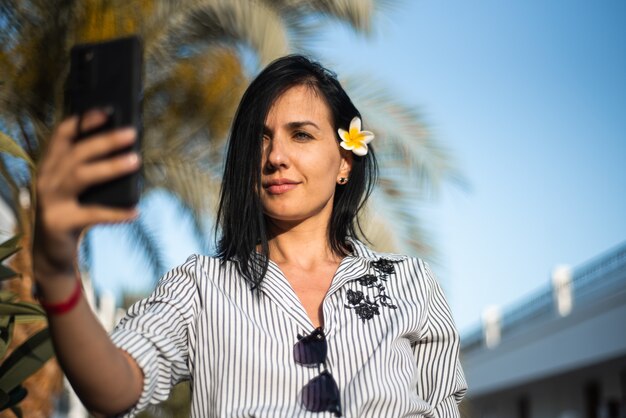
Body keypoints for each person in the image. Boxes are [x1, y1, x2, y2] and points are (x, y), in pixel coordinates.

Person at [34, 55, 467, 417]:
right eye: (261, 139)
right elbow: (113, 387)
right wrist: (57, 274)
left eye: (301, 134)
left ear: (344, 162)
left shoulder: (411, 283)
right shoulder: (201, 287)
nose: (276, 156)